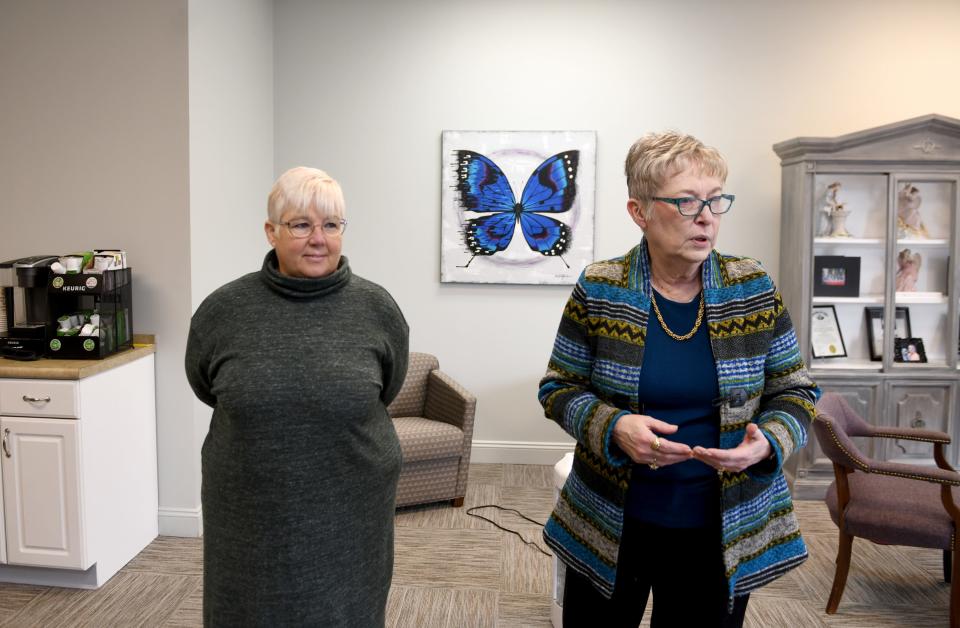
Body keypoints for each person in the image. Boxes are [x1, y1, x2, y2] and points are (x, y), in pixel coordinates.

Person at [539, 131, 820, 627]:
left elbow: (795, 390)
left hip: (721, 525)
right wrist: (614, 427)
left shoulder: (751, 286)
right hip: (611, 520)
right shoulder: (601, 287)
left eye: (715, 201)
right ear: (639, 211)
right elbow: (558, 387)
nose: (707, 217)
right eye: (686, 202)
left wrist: (766, 443)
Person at [185, 167, 409, 626]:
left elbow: (387, 387)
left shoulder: (377, 309)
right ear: (271, 231)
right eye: (301, 224)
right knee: (248, 609)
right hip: (249, 504)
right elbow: (205, 384)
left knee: (345, 609)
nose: (318, 239)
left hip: (352, 501)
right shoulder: (223, 310)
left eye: (331, 225)